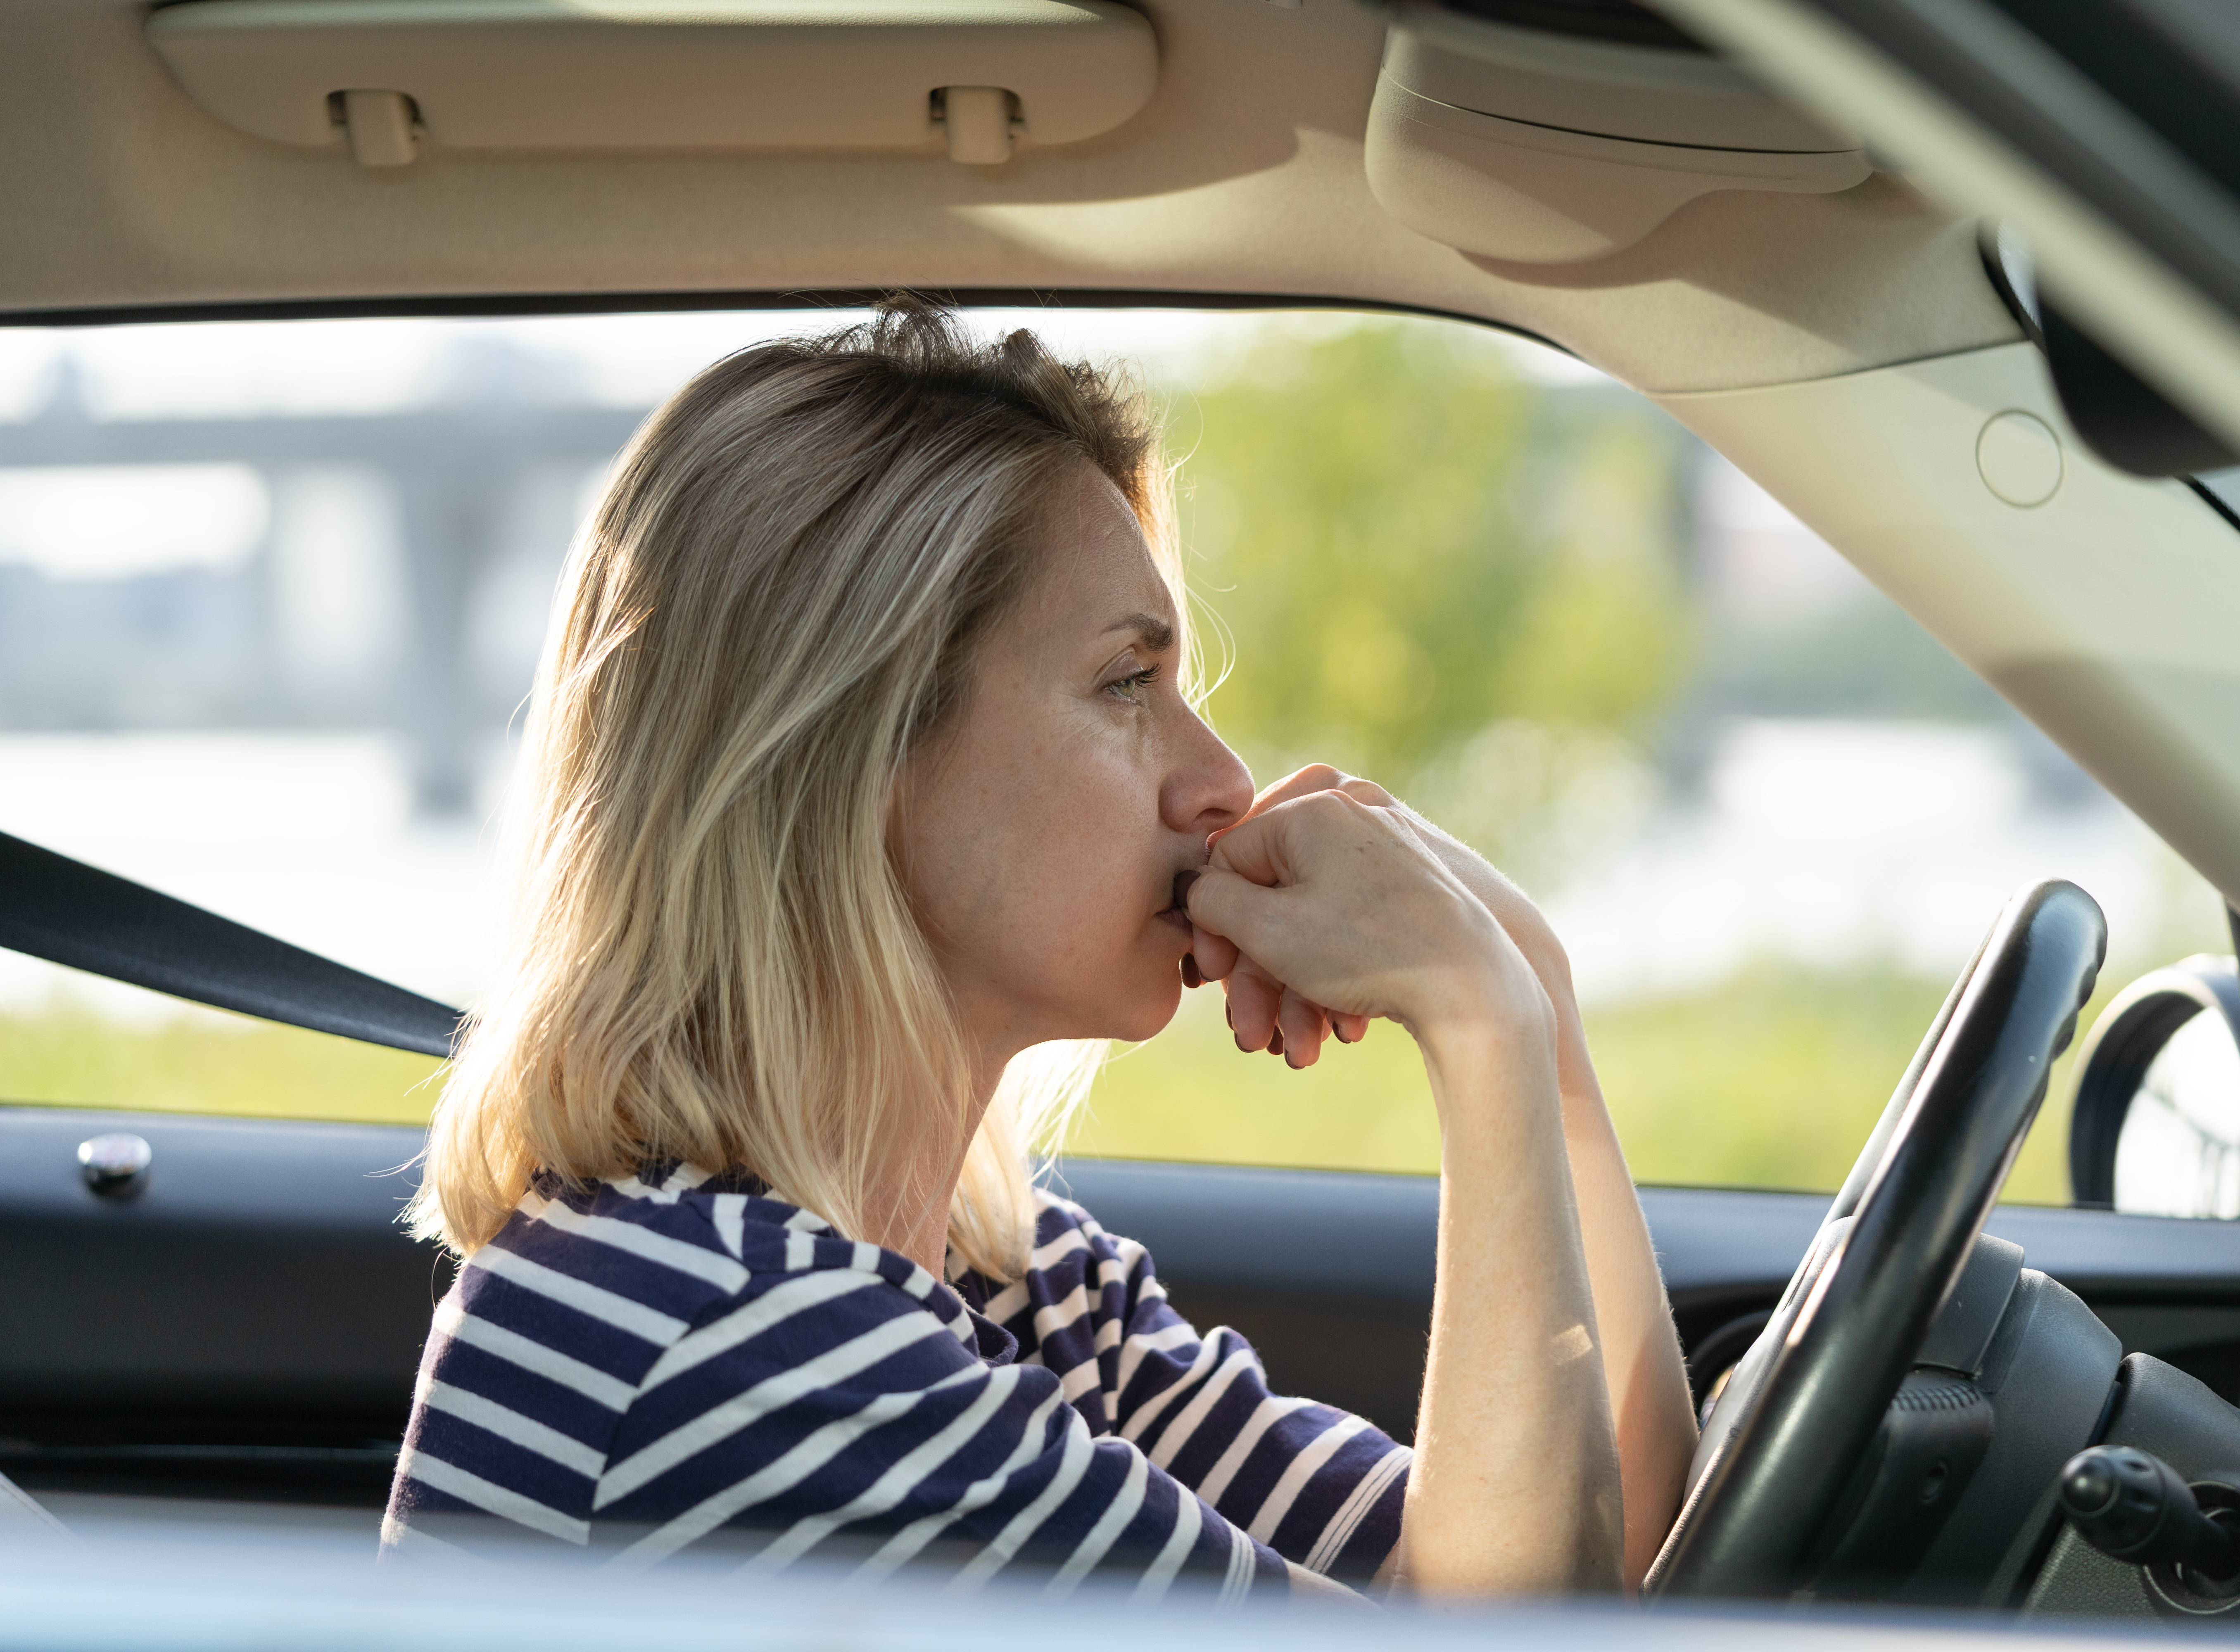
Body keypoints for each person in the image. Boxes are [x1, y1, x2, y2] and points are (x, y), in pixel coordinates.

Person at [385, 303, 1698, 1600]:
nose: (1221, 781)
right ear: (865, 753)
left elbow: (1612, 1541)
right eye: (1129, 685)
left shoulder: (1005, 1284)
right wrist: (1482, 1035)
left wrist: (1538, 1009)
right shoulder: (745, 1340)